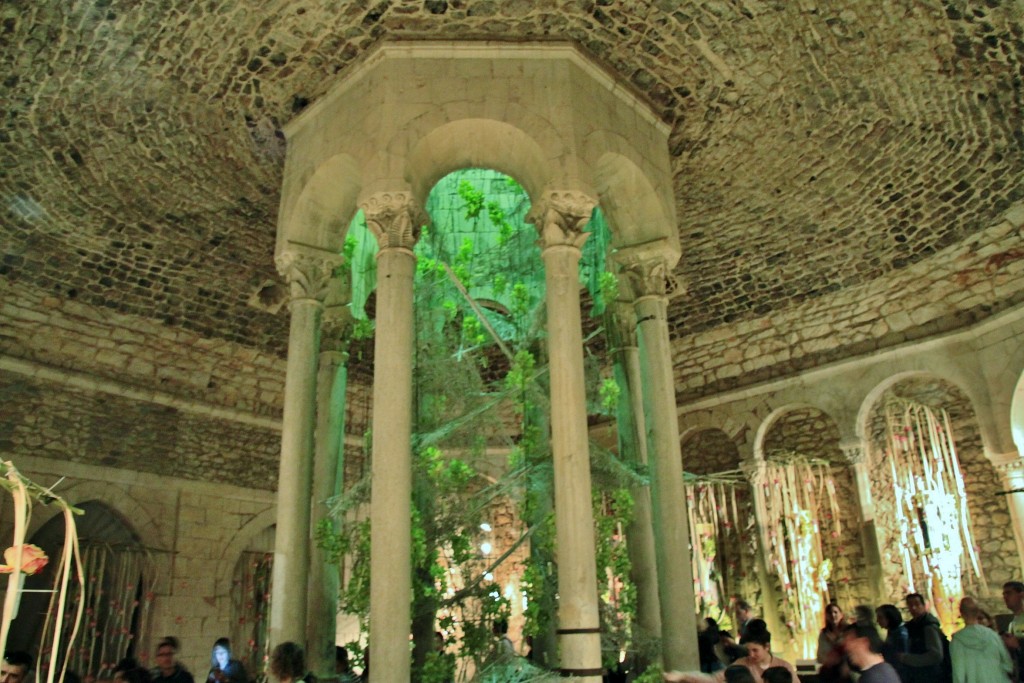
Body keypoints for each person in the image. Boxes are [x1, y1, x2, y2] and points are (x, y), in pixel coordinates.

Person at [664, 619, 801, 683]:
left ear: (767, 647)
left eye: (755, 650)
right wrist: (682, 676)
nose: (751, 655)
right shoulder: (742, 664)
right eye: (748, 650)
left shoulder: (784, 667)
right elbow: (714, 679)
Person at [950, 597, 1012, 683]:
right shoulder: (993, 635)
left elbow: (958, 673)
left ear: (961, 613)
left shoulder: (958, 640)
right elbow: (1008, 665)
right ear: (978, 612)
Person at [900, 593, 946, 683]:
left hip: (931, 675)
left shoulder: (929, 627)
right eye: (910, 605)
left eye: (917, 604)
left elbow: (935, 655)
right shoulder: (912, 626)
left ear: (924, 606)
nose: (913, 608)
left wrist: (906, 658)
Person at [875, 604, 908, 676]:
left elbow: (902, 657)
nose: (877, 621)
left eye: (880, 617)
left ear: (889, 617)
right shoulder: (892, 632)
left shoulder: (901, 633)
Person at [1003, 581, 1024, 681]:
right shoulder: (1011, 624)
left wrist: (1018, 645)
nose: (1005, 597)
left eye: (1009, 593)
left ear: (1021, 594)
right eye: (1004, 594)